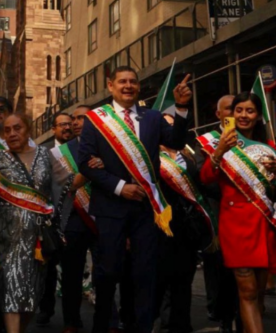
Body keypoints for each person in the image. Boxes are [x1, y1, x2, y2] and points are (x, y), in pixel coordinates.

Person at [79, 66, 193, 333]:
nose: (128, 86)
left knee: (145, 273)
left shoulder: (153, 117)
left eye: (132, 82)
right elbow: (85, 162)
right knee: (108, 273)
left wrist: (182, 107)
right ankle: (104, 325)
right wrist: (120, 187)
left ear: (139, 87)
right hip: (110, 206)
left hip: (145, 209)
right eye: (122, 81)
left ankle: (140, 326)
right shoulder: (96, 120)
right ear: (110, 86)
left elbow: (175, 141)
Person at [200, 93, 276, 333]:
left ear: (258, 116)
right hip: (236, 223)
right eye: (239, 110)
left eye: (249, 111)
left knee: (258, 293)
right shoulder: (223, 142)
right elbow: (206, 177)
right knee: (247, 291)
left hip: (262, 220)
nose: (243, 115)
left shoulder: (268, 146)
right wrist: (219, 152)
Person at [0, 113, 54, 333]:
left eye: (18, 128)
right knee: (11, 286)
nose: (12, 133)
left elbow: (67, 182)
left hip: (38, 238)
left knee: (33, 290)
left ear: (28, 129)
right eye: (7, 130)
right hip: (7, 235)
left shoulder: (46, 155)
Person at [158, 132, 214, 333]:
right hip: (163, 224)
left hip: (188, 226)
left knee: (184, 278)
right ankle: (165, 322)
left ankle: (181, 324)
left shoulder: (188, 156)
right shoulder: (151, 157)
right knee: (163, 278)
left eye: (173, 126)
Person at [49, 106, 95, 333]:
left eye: (81, 118)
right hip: (74, 219)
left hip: (103, 217)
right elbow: (58, 188)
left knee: (108, 273)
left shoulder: (106, 147)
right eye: (73, 119)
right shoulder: (60, 154)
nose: (75, 123)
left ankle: (110, 320)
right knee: (71, 276)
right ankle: (71, 321)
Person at [194, 95, 238, 331]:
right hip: (217, 210)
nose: (234, 113)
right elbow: (202, 179)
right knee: (218, 266)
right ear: (218, 114)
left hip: (245, 213)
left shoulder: (251, 138)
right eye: (230, 109)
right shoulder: (205, 142)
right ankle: (219, 310)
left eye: (238, 108)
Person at [36, 112, 76, 326]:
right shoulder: (44, 153)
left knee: (72, 271)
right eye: (62, 125)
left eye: (69, 124)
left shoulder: (82, 149)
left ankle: (72, 318)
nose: (67, 128)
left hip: (78, 217)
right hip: (53, 218)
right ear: (54, 129)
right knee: (49, 270)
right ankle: (46, 309)